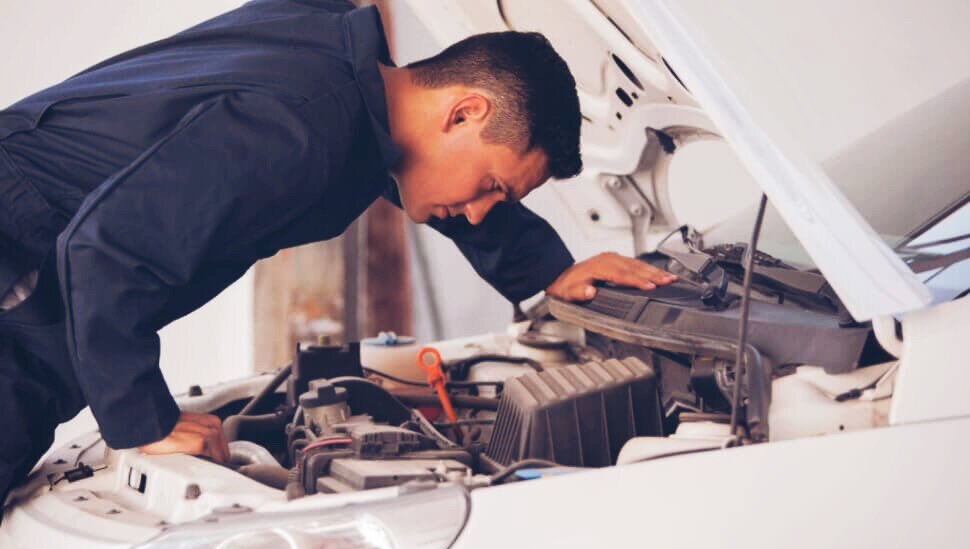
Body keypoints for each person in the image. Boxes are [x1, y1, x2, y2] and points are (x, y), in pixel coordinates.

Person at [0, 1, 675, 505]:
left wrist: (552, 272)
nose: (479, 209)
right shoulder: (303, 126)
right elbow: (106, 248)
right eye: (494, 186)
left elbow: (410, 173)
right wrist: (143, 420)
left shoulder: (338, 69)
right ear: (465, 111)